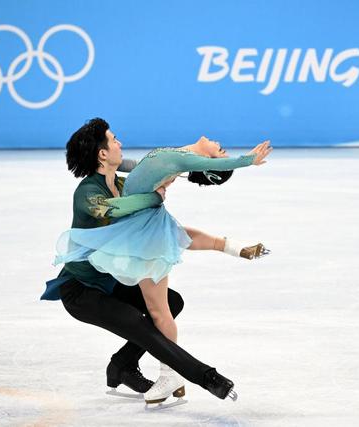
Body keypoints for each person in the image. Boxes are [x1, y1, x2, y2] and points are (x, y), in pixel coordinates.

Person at [51, 118, 272, 403]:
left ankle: (122, 366)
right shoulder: (87, 193)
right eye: (114, 139)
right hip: (81, 291)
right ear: (102, 154)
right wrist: (152, 198)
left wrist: (198, 154)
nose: (120, 142)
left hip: (108, 282)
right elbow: (111, 210)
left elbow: (157, 162)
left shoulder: (120, 180)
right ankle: (205, 377)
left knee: (172, 302)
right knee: (138, 323)